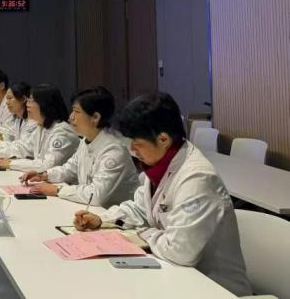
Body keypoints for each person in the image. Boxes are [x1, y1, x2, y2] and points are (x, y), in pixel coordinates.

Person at [73, 92, 252, 297]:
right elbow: (139, 208)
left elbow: (179, 251)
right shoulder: (159, 165)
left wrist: (142, 234)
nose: (132, 150)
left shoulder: (198, 179)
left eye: (138, 144)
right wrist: (102, 219)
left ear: (163, 139)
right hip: (175, 278)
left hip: (214, 288)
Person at [22, 86, 139, 207]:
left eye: (76, 112)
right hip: (91, 209)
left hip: (112, 214)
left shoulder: (114, 150)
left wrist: (58, 190)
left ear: (95, 117)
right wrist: (44, 175)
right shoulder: (86, 140)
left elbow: (96, 195)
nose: (71, 117)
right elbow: (70, 168)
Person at [0, 83, 79, 172]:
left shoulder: (62, 132)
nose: (27, 105)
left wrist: (11, 164)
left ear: (44, 104)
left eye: (31, 101)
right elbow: (24, 146)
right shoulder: (42, 127)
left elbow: (47, 165)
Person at [0, 82, 41, 168]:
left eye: (10, 98)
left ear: (23, 99)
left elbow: (24, 147)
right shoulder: (18, 119)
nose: (7, 103)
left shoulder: (33, 122)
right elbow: (9, 137)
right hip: (25, 163)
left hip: (30, 165)